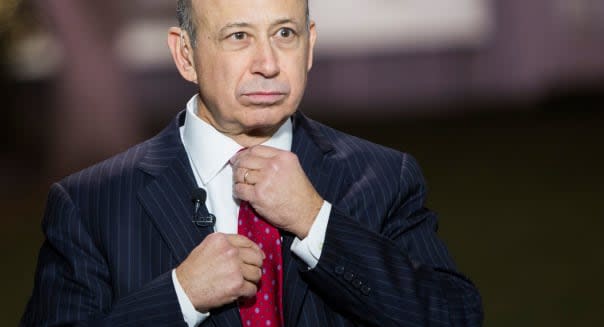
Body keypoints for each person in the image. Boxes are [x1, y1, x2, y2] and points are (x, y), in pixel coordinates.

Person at [21, 0, 483, 326]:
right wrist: (179, 296)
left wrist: (316, 223)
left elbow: (453, 315)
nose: (267, 63)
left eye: (285, 33)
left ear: (311, 44)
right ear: (186, 54)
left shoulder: (383, 178)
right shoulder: (91, 203)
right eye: (238, 36)